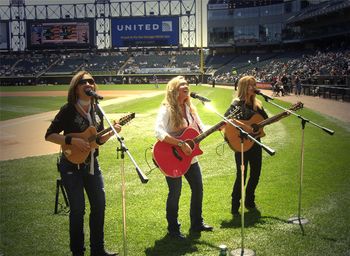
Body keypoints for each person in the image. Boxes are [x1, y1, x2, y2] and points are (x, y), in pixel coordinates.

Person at [45, 71, 119, 256]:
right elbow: (49, 135)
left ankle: (98, 250)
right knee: (78, 210)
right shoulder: (68, 109)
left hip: (92, 164)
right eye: (83, 82)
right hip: (71, 166)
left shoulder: (97, 110)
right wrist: (72, 140)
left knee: (99, 206)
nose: (89, 84)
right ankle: (78, 252)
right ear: (76, 87)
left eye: (91, 81)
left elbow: (96, 141)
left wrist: (110, 133)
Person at [154, 75, 213, 239]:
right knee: (175, 192)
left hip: (190, 157)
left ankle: (197, 223)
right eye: (182, 84)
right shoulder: (166, 109)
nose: (186, 86)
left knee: (198, 189)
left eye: (187, 83)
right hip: (171, 157)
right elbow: (158, 132)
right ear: (174, 90)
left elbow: (200, 128)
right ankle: (173, 229)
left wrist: (218, 127)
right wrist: (179, 144)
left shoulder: (190, 109)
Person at [224, 75, 268, 215]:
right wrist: (246, 127)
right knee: (241, 175)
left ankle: (250, 201)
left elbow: (264, 120)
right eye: (250, 85)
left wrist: (285, 113)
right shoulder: (237, 103)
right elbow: (227, 119)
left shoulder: (257, 103)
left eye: (254, 84)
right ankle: (234, 206)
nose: (253, 87)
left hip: (255, 142)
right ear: (244, 87)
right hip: (241, 143)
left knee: (256, 174)